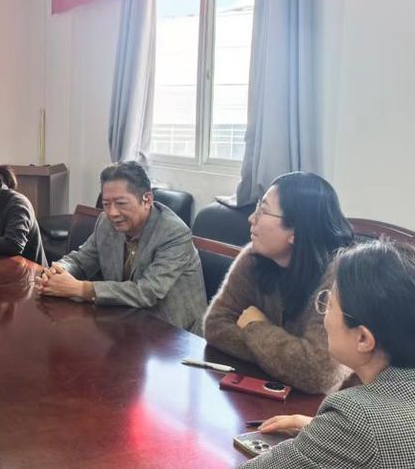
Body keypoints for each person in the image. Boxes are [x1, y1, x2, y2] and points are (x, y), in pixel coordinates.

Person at [241, 240, 415, 468]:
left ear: (363, 339)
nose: (324, 316)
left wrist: (339, 431)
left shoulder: (355, 418)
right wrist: (327, 433)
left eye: (330, 304)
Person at [203, 172, 355, 394]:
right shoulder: (254, 258)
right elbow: (215, 325)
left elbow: (319, 373)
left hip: (329, 406)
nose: (252, 219)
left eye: (263, 211)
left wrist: (255, 325)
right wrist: (286, 357)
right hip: (267, 392)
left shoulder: (340, 278)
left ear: (296, 231)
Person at [36, 161, 207, 334]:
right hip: (126, 322)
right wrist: (57, 272)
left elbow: (147, 291)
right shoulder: (105, 222)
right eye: (106, 204)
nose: (112, 213)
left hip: (174, 333)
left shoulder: (174, 233)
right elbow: (81, 260)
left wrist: (80, 289)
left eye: (121, 203)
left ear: (147, 199)